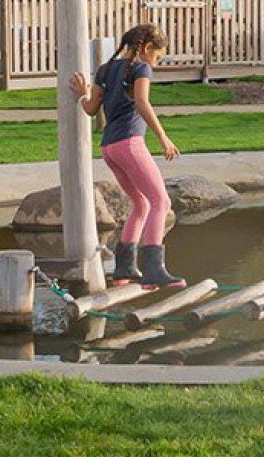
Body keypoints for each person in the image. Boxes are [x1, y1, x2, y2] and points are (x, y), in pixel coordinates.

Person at [69, 24, 184, 289]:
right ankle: (153, 270)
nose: (156, 62)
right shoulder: (141, 67)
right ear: (145, 49)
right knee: (161, 201)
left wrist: (82, 94)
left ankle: (123, 270)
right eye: (157, 57)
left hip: (109, 148)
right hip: (130, 145)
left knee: (141, 204)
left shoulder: (105, 70)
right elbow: (142, 102)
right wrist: (163, 138)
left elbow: (89, 109)